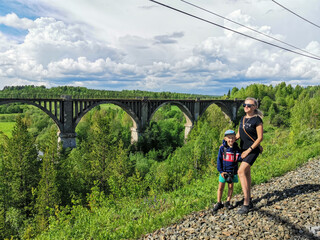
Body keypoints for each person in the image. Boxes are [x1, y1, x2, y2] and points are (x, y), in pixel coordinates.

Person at [236, 97, 263, 214]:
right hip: (243, 149)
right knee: (246, 173)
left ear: (255, 107)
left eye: (249, 105)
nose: (246, 107)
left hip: (252, 151)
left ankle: (246, 203)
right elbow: (238, 134)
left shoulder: (257, 120)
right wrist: (227, 141)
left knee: (241, 172)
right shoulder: (242, 118)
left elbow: (260, 138)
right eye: (244, 105)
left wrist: (248, 150)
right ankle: (249, 197)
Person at [213, 129, 241, 212]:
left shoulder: (236, 148)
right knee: (220, 187)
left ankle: (228, 201)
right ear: (225, 139)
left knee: (230, 187)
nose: (231, 140)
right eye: (229, 138)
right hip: (223, 172)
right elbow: (219, 160)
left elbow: (239, 158)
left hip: (232, 172)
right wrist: (221, 171)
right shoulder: (222, 148)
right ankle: (219, 202)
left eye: (232, 138)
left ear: (235, 138)